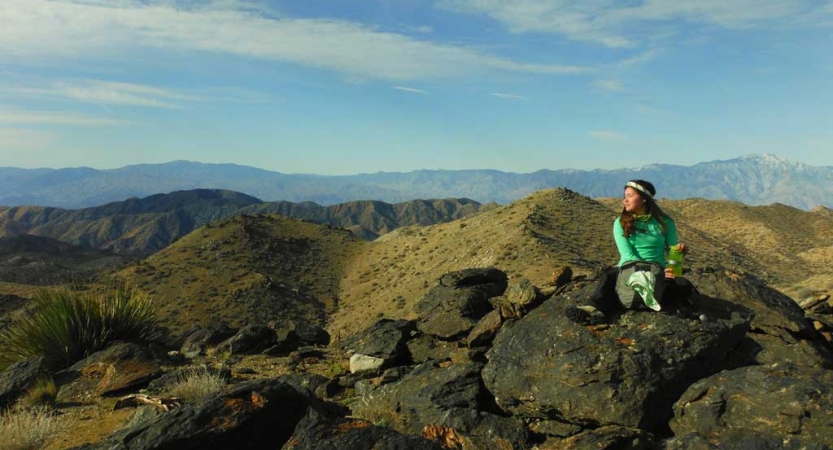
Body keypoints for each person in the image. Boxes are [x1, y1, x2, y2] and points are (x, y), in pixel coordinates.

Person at [566, 180, 693, 324]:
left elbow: (673, 250)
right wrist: (643, 272)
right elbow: (627, 254)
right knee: (609, 277)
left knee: (682, 285)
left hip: (657, 268)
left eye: (630, 196)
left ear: (644, 199)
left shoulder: (665, 222)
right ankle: (593, 309)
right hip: (628, 267)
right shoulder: (620, 223)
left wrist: (676, 262)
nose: (625, 200)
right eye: (625, 196)